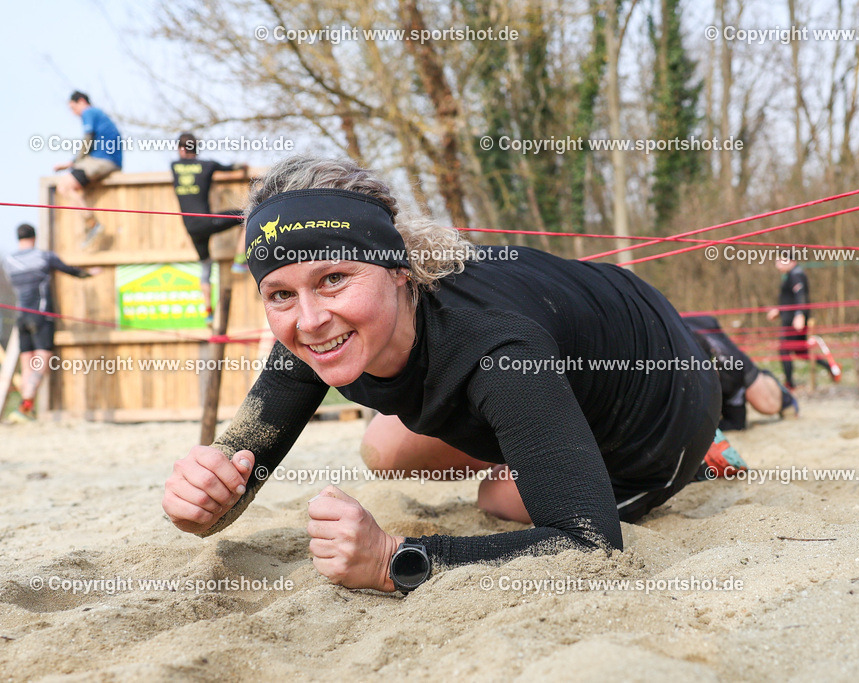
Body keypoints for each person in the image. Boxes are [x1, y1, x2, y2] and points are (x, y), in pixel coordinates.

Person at [162, 155, 747, 593]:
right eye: (280, 294)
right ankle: (541, 438)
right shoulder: (313, 333)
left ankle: (707, 453)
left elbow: (588, 545)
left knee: (501, 497)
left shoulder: (498, 350)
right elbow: (237, 469)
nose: (310, 320)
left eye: (334, 279)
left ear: (398, 268)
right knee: (384, 448)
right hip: (583, 334)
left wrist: (393, 559)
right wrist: (203, 497)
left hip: (667, 403)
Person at [2, 224, 99, 422]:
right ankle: (26, 405)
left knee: (27, 363)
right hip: (42, 315)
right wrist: (91, 272)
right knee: (41, 361)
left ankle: (26, 408)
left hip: (21, 317)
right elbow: (72, 271)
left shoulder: (8, 261)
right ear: (34, 237)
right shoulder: (43, 257)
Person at [170, 132, 249, 325]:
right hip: (206, 222)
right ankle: (240, 261)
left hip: (190, 227)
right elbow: (232, 167)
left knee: (205, 264)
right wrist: (243, 166)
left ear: (180, 149)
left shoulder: (174, 166)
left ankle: (208, 312)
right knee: (246, 215)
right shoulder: (208, 165)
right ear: (196, 149)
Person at [681, 314, 798, 430]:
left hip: (729, 365)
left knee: (768, 405)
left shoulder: (726, 363)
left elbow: (738, 421)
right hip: (703, 365)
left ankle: (780, 392)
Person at [53, 91, 123, 249]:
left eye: (73, 108)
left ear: (81, 101)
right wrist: (73, 163)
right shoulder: (99, 114)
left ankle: (92, 224)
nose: (74, 113)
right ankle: (90, 224)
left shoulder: (89, 112)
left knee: (64, 186)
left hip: (103, 160)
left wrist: (73, 163)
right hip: (104, 159)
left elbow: (87, 140)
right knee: (72, 184)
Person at [766, 252, 841, 388]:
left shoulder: (797, 274)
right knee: (801, 352)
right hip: (791, 319)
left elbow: (801, 296)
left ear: (791, 261)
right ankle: (831, 367)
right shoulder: (790, 275)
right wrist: (779, 311)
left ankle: (789, 384)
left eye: (780, 261)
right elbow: (790, 299)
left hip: (794, 322)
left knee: (784, 350)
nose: (777, 265)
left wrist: (799, 314)